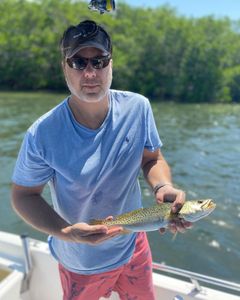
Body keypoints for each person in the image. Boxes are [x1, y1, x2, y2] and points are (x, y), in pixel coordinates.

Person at [11, 20, 191, 300]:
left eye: (99, 60)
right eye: (79, 63)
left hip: (134, 244)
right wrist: (68, 232)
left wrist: (162, 187)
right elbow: (23, 195)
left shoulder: (138, 107)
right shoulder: (42, 133)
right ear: (64, 67)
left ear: (111, 64)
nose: (91, 73)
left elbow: (151, 158)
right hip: (81, 261)